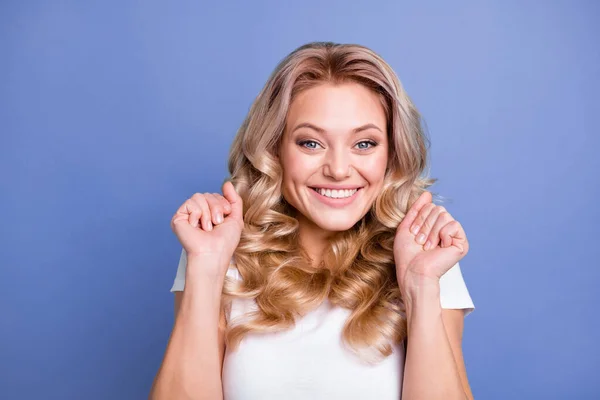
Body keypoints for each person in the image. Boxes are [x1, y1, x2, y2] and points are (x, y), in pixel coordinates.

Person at [149, 41, 475, 400]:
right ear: (275, 150)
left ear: (391, 154)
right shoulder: (219, 250)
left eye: (364, 144)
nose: (338, 170)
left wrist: (421, 285)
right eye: (311, 143)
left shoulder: (425, 256)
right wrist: (206, 268)